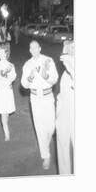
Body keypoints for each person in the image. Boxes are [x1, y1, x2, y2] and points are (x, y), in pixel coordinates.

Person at [21, 40, 59, 169]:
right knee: (40, 127)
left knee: (51, 127)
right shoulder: (27, 65)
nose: (34, 50)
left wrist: (45, 76)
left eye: (36, 47)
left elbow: (54, 79)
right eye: (31, 48)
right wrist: (30, 77)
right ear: (30, 50)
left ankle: (45, 145)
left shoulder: (48, 60)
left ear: (40, 48)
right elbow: (24, 84)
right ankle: (46, 156)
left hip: (48, 97)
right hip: (35, 98)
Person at [56, 40, 75, 175]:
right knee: (62, 147)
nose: (67, 51)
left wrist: (72, 67)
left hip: (75, 114)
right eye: (67, 49)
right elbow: (61, 95)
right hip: (63, 114)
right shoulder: (65, 74)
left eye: (72, 49)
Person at [0, 44, 16, 140]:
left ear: (6, 54)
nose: (1, 55)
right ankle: (6, 132)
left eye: (3, 53)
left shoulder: (10, 65)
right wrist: (1, 76)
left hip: (8, 90)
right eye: (0, 53)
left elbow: (13, 77)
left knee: (7, 111)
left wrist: (7, 76)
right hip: (0, 91)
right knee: (3, 112)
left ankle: (6, 126)